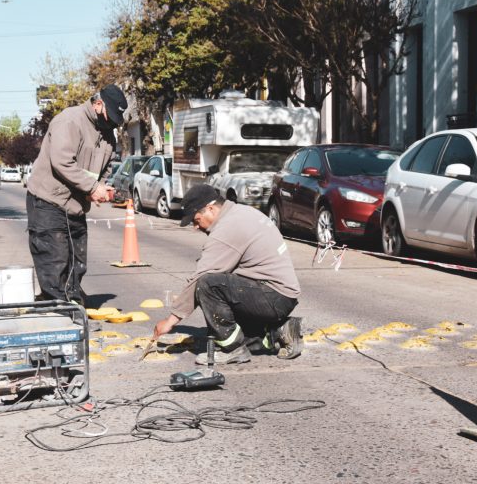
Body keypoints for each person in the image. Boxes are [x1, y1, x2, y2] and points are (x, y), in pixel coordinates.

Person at [153, 184, 303, 364]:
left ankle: (232, 349)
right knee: (223, 294)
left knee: (207, 284)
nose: (195, 227)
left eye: (196, 219)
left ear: (210, 209)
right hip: (278, 294)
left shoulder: (227, 229)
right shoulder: (240, 212)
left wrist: (170, 321)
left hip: (272, 296)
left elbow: (201, 277)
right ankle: (279, 331)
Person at [25, 84, 127, 305]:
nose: (112, 123)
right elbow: (62, 162)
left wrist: (99, 187)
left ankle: (70, 299)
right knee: (54, 259)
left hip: (76, 204)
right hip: (48, 201)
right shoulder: (70, 121)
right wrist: (91, 187)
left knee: (77, 260)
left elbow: (106, 167)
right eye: (110, 116)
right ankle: (58, 309)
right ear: (98, 104)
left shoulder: (108, 133)